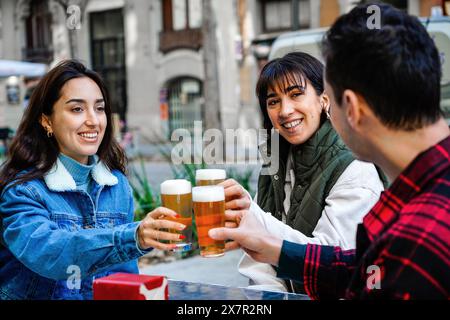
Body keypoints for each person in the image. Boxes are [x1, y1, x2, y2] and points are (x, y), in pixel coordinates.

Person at [210, 3, 450, 299]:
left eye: (329, 100)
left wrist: (259, 223)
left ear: (350, 107)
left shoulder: (417, 237)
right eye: (273, 101)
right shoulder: (417, 203)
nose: (285, 111)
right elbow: (360, 268)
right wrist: (277, 250)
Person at [0, 60, 186, 300]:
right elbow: (51, 253)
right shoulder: (22, 191)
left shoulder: (117, 186)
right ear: (47, 120)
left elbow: (123, 280)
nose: (93, 120)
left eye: (99, 108)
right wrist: (133, 236)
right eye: (77, 109)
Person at [221, 52, 386, 293]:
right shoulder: (274, 163)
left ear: (324, 100)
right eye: (273, 101)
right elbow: (258, 264)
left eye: (296, 94)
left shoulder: (355, 167)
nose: (285, 110)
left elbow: (331, 264)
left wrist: (254, 216)